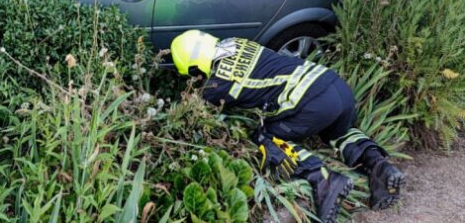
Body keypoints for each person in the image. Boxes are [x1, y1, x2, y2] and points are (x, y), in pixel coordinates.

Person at [170, 30, 404, 223]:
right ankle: (379, 166)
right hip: (334, 85)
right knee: (338, 132)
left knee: (264, 137)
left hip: (311, 100)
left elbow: (199, 111)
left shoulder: (218, 85)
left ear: (194, 68)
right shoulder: (236, 42)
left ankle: (323, 180)